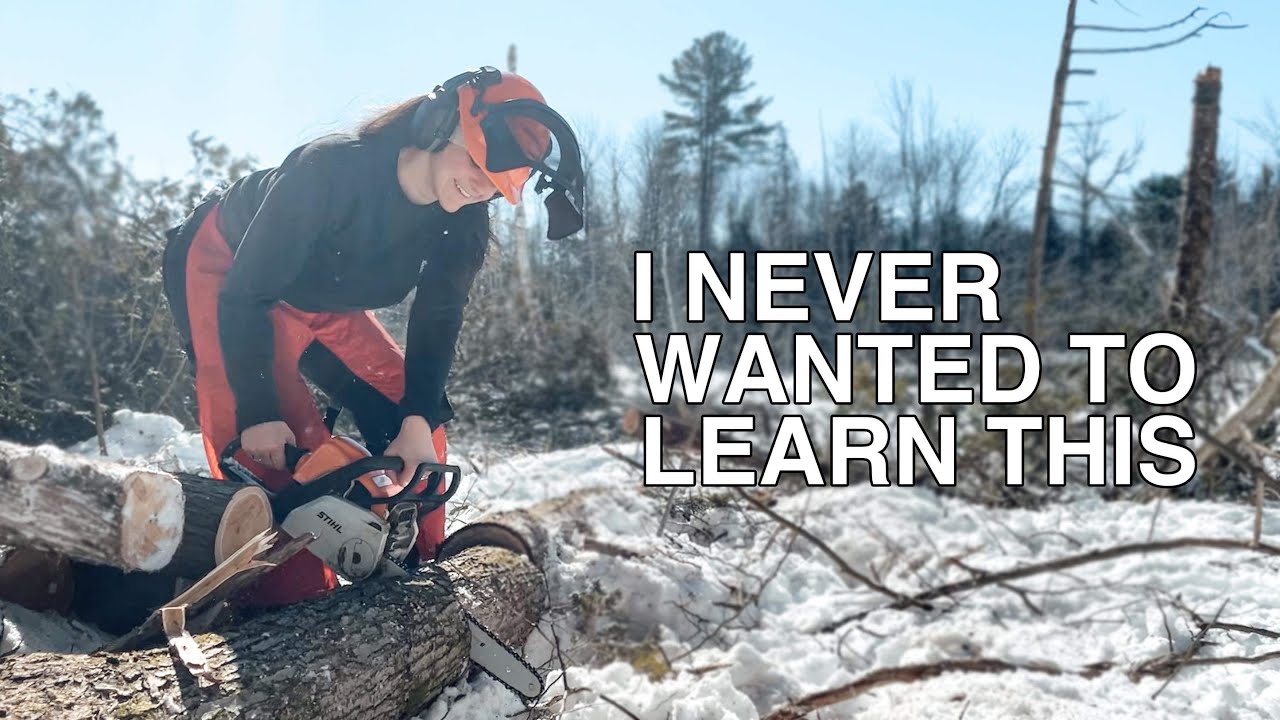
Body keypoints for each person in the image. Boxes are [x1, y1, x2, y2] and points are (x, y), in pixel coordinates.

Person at [160, 66, 585, 607]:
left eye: (497, 183)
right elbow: (248, 295)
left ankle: (420, 565)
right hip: (231, 273)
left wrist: (413, 420)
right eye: (477, 164)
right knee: (269, 446)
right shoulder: (330, 170)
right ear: (437, 126)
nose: (482, 186)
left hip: (323, 298)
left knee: (416, 414)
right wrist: (259, 408)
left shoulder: (463, 221)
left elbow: (438, 319)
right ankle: (290, 603)